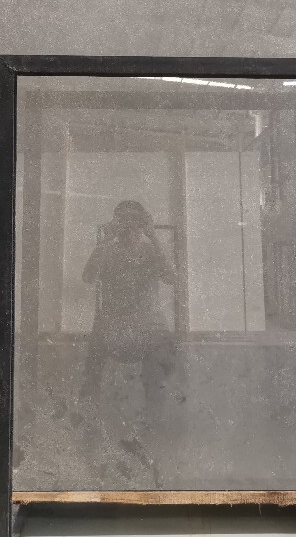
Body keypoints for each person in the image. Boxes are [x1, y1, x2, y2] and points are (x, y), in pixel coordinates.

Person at [78, 200, 178, 483]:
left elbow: (171, 278)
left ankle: (150, 436)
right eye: (124, 224)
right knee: (92, 372)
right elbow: (88, 277)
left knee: (157, 374)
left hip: (147, 325)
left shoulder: (151, 250)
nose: (130, 230)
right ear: (117, 226)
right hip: (113, 324)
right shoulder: (108, 251)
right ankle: (91, 429)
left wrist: (154, 237)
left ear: (143, 225)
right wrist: (105, 240)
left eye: (136, 224)